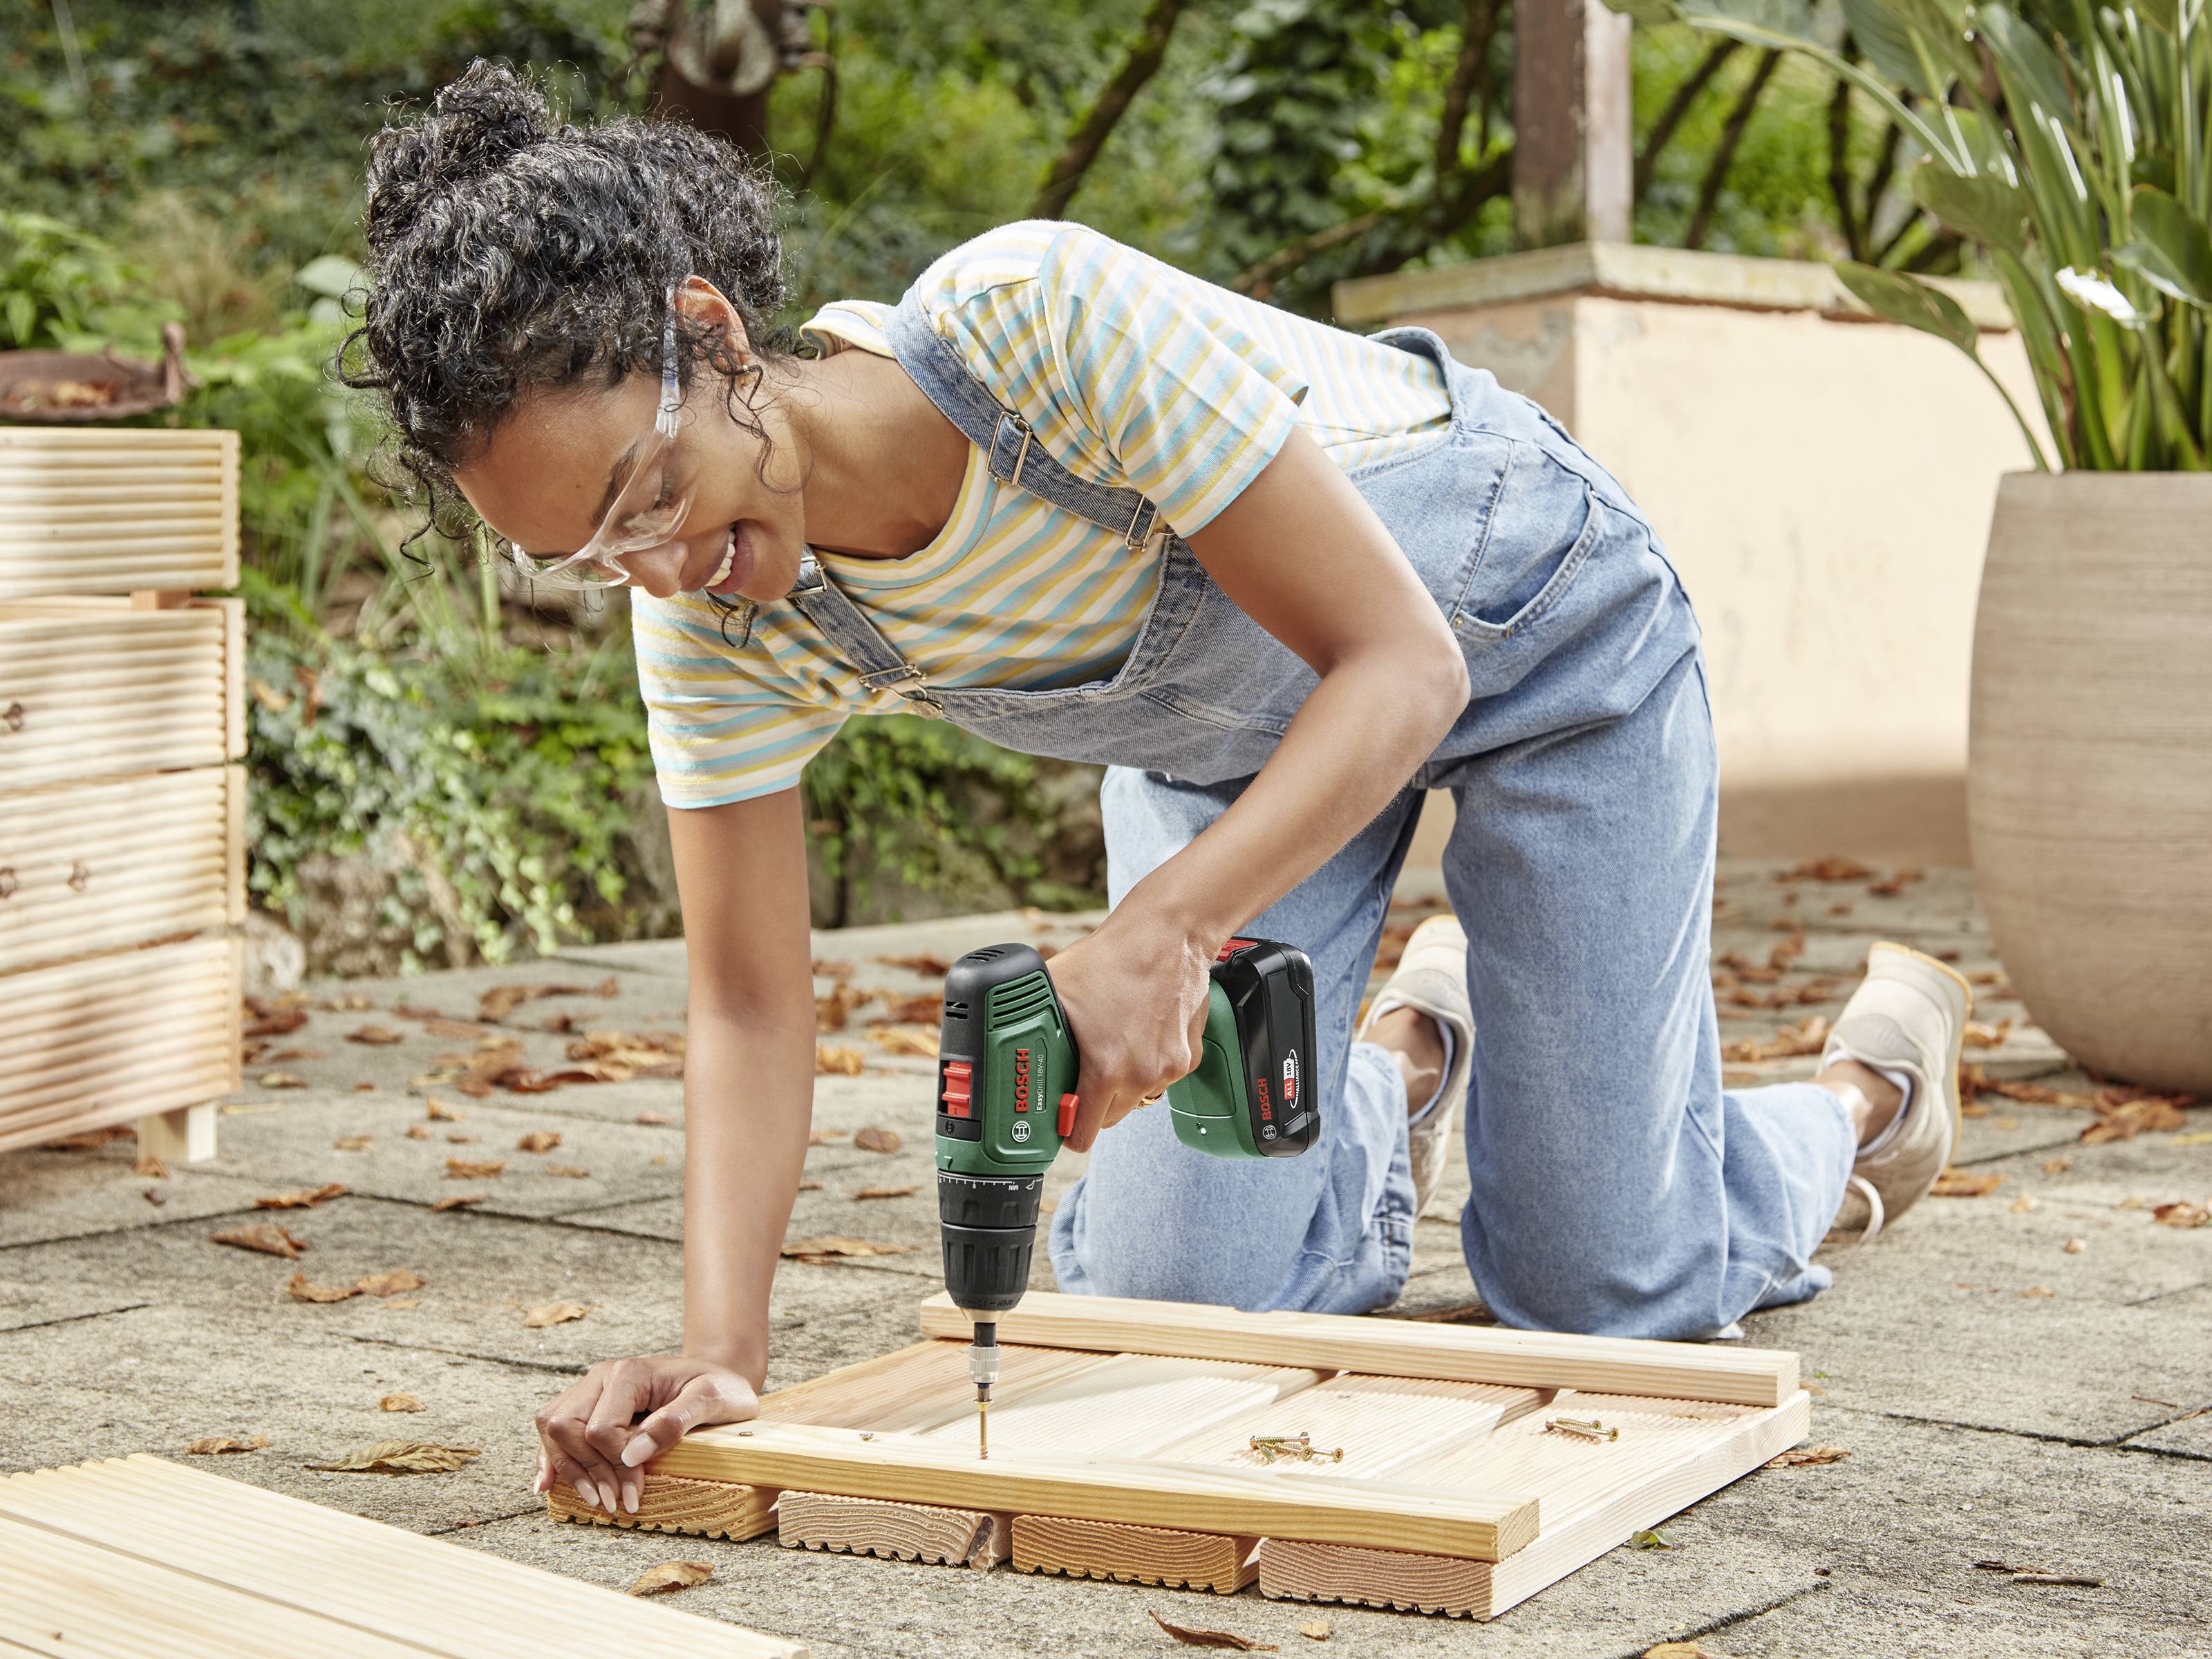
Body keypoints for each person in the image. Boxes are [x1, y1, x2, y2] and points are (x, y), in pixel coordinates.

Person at [346, 63, 1974, 1519]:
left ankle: (1861, 1103)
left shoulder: (1029, 320)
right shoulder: (713, 620)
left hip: (1535, 650)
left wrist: (1163, 929)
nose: (657, 565)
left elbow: (1401, 667)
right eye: (586, 554)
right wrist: (718, 1350)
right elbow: (750, 1008)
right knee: (1164, 1290)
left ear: (710, 339)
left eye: (650, 492)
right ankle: (1409, 1052)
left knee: (1601, 1291)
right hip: (1242, 754)